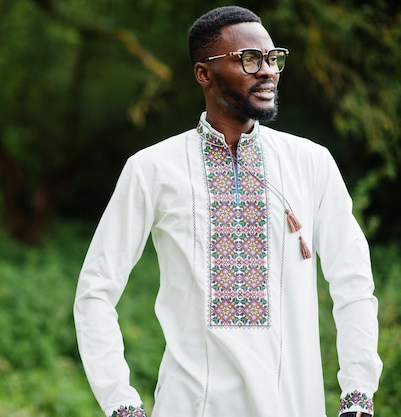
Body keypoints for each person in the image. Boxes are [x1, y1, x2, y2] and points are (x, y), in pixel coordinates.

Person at [73, 5, 382, 417]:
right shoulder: (153, 169)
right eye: (250, 60)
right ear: (204, 73)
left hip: (293, 403)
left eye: (274, 59)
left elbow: (354, 283)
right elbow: (95, 292)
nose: (267, 71)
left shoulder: (310, 162)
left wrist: (358, 397)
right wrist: (121, 404)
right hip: (191, 406)